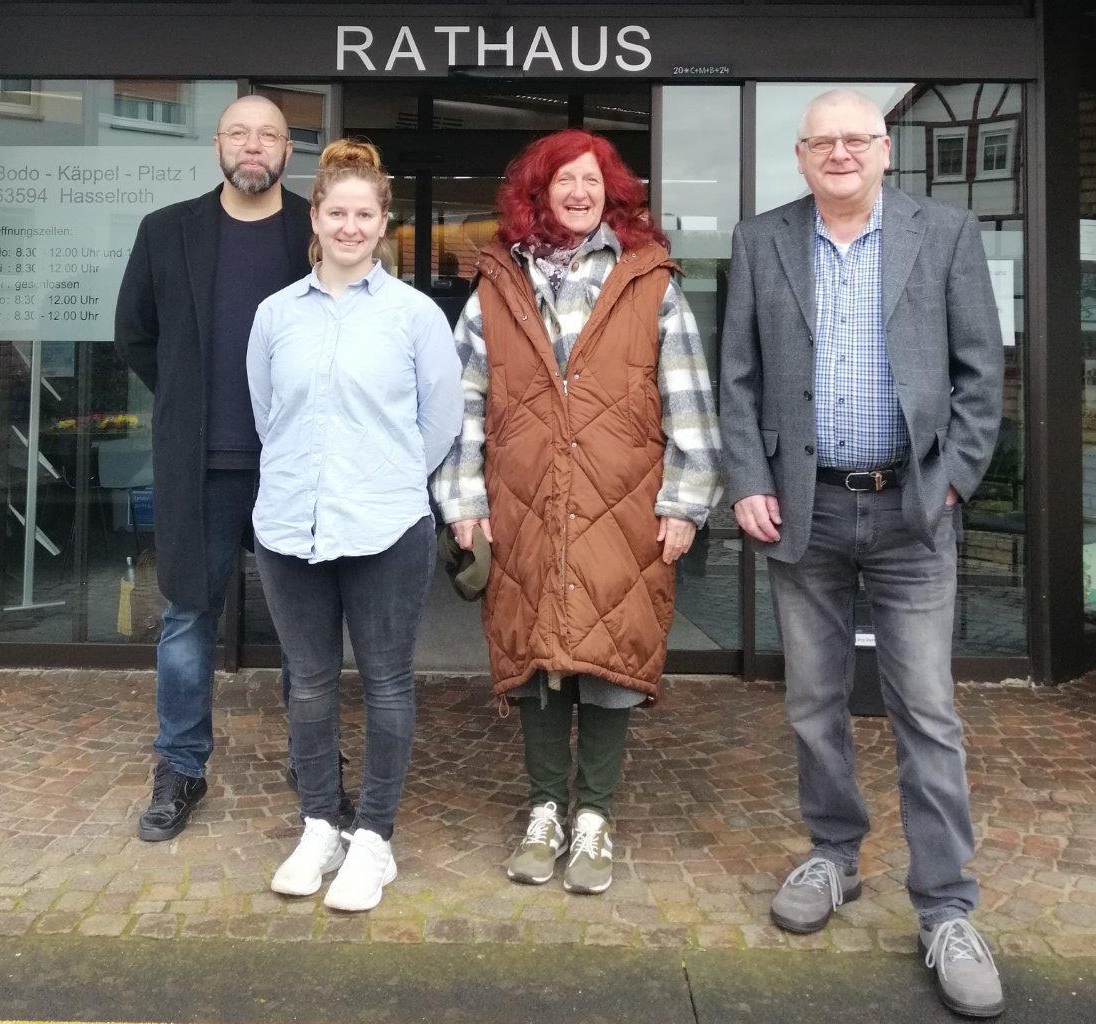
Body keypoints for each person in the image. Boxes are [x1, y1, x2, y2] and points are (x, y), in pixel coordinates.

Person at [719, 89, 1005, 1018]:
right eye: (823, 143)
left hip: (913, 510)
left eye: (857, 140)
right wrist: (749, 479)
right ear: (800, 157)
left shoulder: (948, 233)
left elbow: (979, 375)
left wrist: (952, 481)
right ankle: (835, 855)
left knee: (926, 708)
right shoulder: (763, 241)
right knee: (814, 702)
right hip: (806, 511)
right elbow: (740, 377)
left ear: (885, 151)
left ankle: (946, 906)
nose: (840, 154)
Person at [432, 129, 722, 897]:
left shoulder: (649, 278)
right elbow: (461, 402)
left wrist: (686, 501)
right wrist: (462, 499)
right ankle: (542, 811)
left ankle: (592, 816)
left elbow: (687, 397)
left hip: (622, 502)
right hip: (519, 503)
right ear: (537, 192)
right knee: (533, 658)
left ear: (611, 190)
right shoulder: (496, 283)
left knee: (610, 655)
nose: (579, 192)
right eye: (563, 180)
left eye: (591, 179)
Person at [115, 95, 351, 842]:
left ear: (291, 151)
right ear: (219, 143)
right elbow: (135, 337)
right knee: (188, 616)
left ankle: (312, 764)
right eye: (242, 134)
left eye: (271, 136)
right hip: (201, 466)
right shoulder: (166, 231)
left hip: (295, 465)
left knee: (304, 627)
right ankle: (181, 767)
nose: (255, 147)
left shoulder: (312, 231)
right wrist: (191, 400)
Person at [247, 140, 462, 912]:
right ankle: (319, 824)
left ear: (383, 223)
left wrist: (388, 477)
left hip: (384, 524)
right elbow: (269, 414)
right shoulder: (275, 316)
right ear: (316, 217)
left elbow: (439, 422)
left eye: (363, 214)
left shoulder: (414, 317)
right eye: (336, 212)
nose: (349, 226)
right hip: (288, 526)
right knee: (307, 685)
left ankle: (373, 839)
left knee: (386, 684)